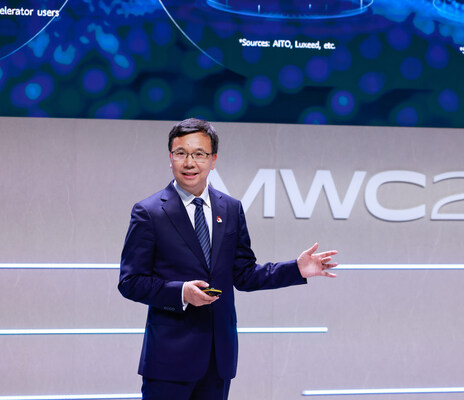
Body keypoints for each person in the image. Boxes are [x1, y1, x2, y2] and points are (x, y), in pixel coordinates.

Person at [118, 118, 338, 400]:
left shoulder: (231, 208)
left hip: (218, 358)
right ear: (170, 158)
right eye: (181, 153)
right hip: (169, 360)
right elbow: (130, 282)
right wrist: (181, 293)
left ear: (213, 160)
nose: (189, 162)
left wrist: (296, 269)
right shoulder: (149, 212)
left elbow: (244, 275)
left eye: (199, 154)